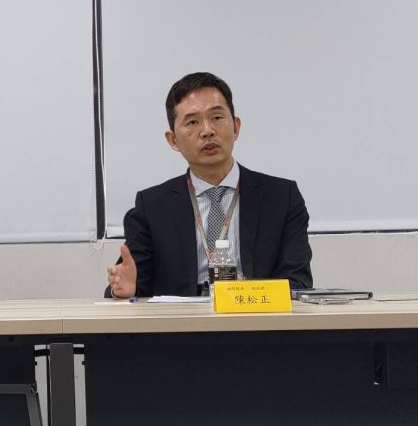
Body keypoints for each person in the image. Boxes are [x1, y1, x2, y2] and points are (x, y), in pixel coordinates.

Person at [107, 72, 312, 298]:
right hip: (181, 318)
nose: (207, 131)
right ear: (173, 140)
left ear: (236, 127)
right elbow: (132, 283)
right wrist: (124, 290)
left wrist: (246, 291)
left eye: (216, 117)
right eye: (193, 122)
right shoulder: (152, 207)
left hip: (254, 315)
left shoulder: (281, 198)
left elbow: (298, 283)